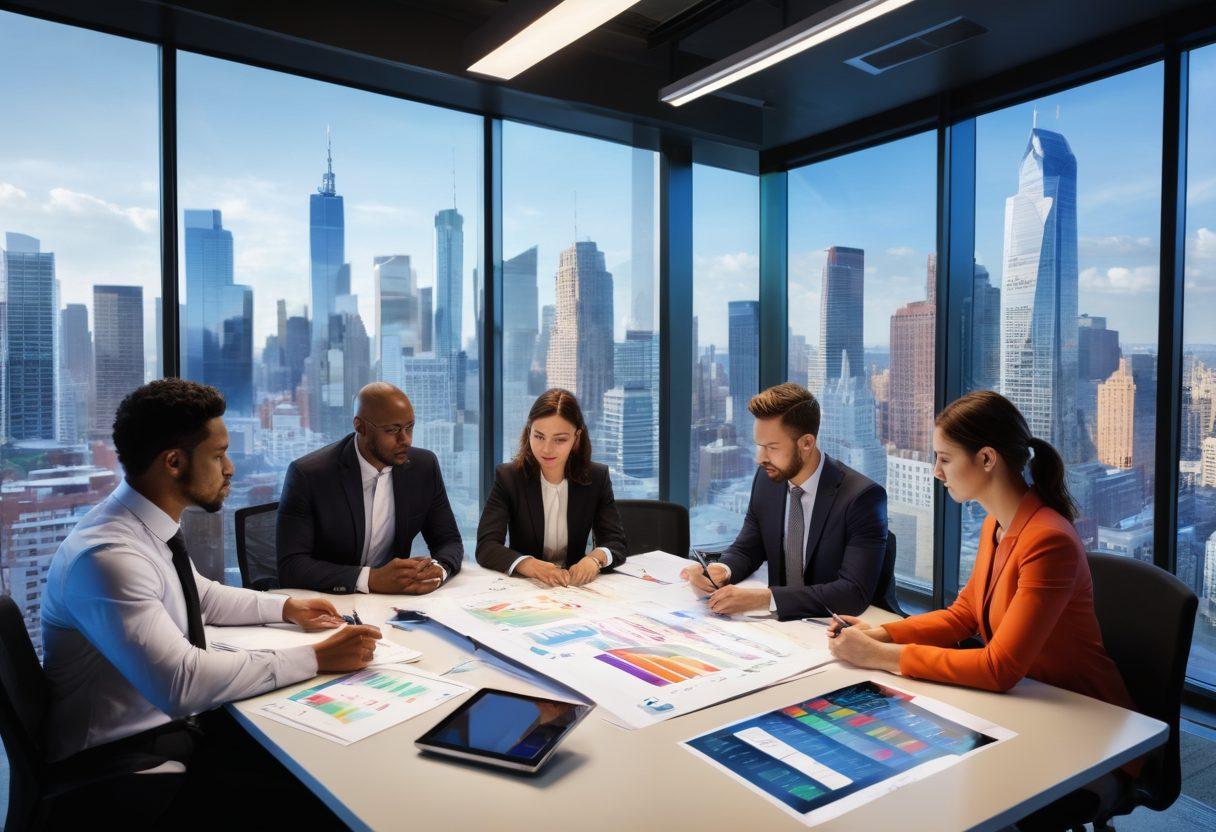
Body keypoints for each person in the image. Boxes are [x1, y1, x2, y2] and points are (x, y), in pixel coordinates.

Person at [40, 379, 381, 826]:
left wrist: (285, 608)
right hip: (121, 767)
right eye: (218, 455)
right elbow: (181, 685)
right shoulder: (108, 557)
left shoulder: (142, 528)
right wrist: (315, 659)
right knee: (318, 798)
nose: (231, 468)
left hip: (166, 732)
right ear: (174, 462)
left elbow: (199, 595)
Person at [824, 390, 1136, 831]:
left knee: (958, 802)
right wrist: (883, 635)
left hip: (1085, 727)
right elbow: (964, 615)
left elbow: (998, 668)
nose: (936, 472)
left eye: (945, 459)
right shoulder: (996, 523)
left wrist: (876, 657)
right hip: (1028, 706)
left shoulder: (1049, 541)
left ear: (987, 459)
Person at [681, 382, 892, 619]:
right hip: (784, 628)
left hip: (842, 627)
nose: (761, 458)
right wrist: (721, 570)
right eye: (759, 446)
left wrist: (765, 599)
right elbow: (748, 548)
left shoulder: (862, 498)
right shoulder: (768, 479)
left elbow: (852, 593)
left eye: (772, 447)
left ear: (806, 443)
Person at [277, 381, 463, 594]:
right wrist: (370, 579)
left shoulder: (423, 467)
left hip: (394, 602)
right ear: (360, 427)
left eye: (409, 427)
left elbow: (448, 541)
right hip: (330, 601)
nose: (406, 440)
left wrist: (438, 569)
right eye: (392, 430)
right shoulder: (309, 475)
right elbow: (291, 567)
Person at [477, 389, 627, 586]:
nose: (547, 449)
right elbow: (486, 547)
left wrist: (594, 559)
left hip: (574, 587)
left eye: (560, 439)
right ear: (529, 431)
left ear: (576, 438)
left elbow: (616, 543)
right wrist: (528, 564)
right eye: (539, 437)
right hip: (526, 586)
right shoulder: (509, 477)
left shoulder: (596, 477)